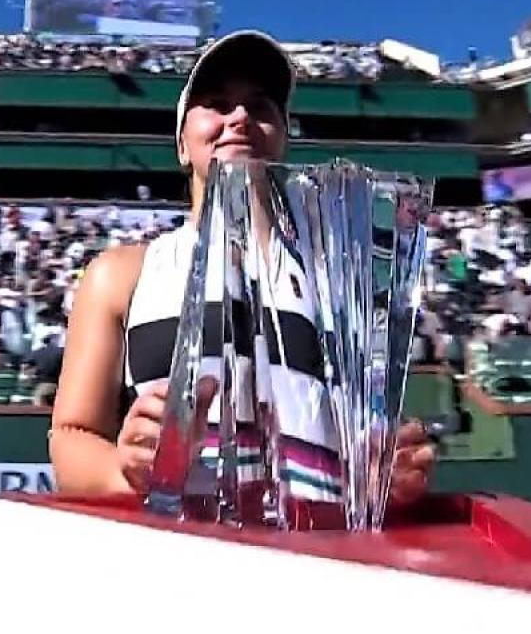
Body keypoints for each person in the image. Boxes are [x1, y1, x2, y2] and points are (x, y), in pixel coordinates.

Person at [50, 31, 435, 517]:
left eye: (260, 107)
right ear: (182, 145)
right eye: (216, 104)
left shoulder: (345, 282)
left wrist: (393, 471)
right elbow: (71, 438)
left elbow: (377, 447)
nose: (239, 118)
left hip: (318, 567)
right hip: (176, 568)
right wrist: (123, 468)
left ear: (282, 137)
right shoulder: (122, 275)